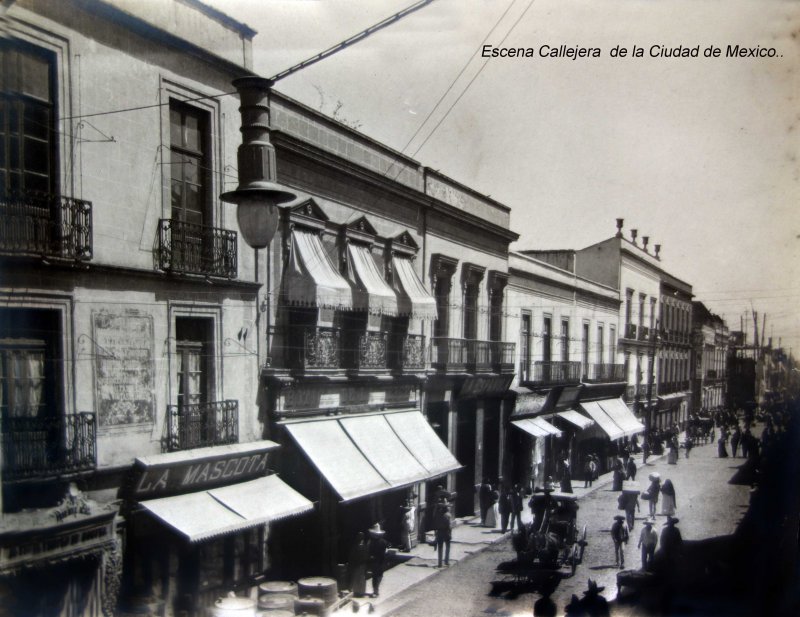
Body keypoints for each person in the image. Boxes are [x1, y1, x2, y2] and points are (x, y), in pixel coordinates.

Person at [367, 523, 388, 597]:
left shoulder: (370, 542)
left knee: (375, 576)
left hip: (374, 560)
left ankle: (375, 590)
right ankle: (376, 589)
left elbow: (369, 551)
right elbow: (385, 552)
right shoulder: (384, 542)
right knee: (379, 575)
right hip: (381, 561)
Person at [348, 532, 368, 597]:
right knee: (357, 578)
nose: (359, 538)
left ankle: (361, 592)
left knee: (361, 578)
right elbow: (352, 555)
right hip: (357, 564)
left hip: (361, 564)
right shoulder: (357, 546)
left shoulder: (364, 546)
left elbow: (366, 556)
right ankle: (357, 591)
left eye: (360, 537)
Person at [434, 503, 452, 567]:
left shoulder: (437, 515)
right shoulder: (448, 515)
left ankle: (440, 563)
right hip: (446, 532)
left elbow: (435, 524)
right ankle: (446, 561)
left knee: (440, 547)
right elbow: (449, 525)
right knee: (448, 546)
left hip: (439, 532)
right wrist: (450, 533)